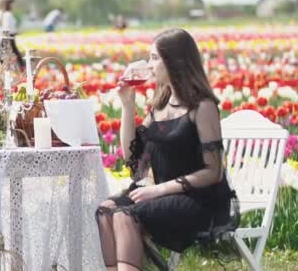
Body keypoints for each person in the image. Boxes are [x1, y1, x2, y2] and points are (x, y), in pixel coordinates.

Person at [95, 28, 236, 271]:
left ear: (175, 62)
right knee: (105, 210)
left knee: (125, 214)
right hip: (161, 194)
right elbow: (132, 157)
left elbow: (213, 172)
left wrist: (158, 190)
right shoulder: (160, 105)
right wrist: (128, 107)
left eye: (154, 58)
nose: (149, 66)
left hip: (199, 200)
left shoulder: (202, 106)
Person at [0, 0, 24, 67]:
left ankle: (2, 67)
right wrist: (14, 32)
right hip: (8, 36)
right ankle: (22, 66)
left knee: (6, 52)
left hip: (9, 36)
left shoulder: (7, 14)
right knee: (8, 52)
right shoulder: (7, 14)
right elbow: (7, 27)